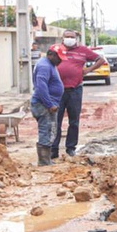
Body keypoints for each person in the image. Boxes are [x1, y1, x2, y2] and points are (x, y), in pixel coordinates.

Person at [51, 30, 106, 159]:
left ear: (76, 39)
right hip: (58, 91)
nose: (69, 39)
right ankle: (53, 149)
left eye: (72, 37)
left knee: (74, 121)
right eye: (67, 37)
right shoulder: (56, 49)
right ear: (62, 38)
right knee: (55, 121)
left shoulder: (83, 50)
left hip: (75, 90)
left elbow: (100, 60)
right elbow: (48, 63)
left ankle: (71, 148)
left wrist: (87, 70)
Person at [31, 47, 65, 166]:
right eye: (59, 58)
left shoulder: (49, 64)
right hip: (44, 105)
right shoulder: (44, 66)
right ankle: (44, 162)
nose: (61, 61)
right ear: (51, 55)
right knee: (46, 131)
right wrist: (49, 104)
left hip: (47, 104)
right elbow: (41, 87)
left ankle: (46, 160)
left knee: (50, 131)